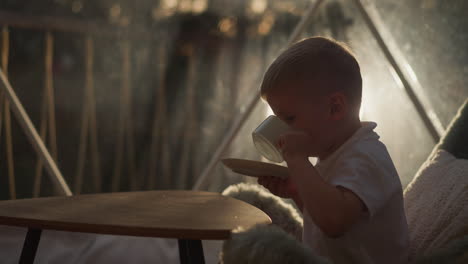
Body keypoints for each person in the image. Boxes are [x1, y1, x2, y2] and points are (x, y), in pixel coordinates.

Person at [257, 36, 409, 264]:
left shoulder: (366, 157)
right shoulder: (333, 153)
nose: (281, 130)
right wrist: (299, 193)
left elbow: (335, 221)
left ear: (335, 108)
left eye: (289, 118)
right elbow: (328, 225)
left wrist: (297, 159)